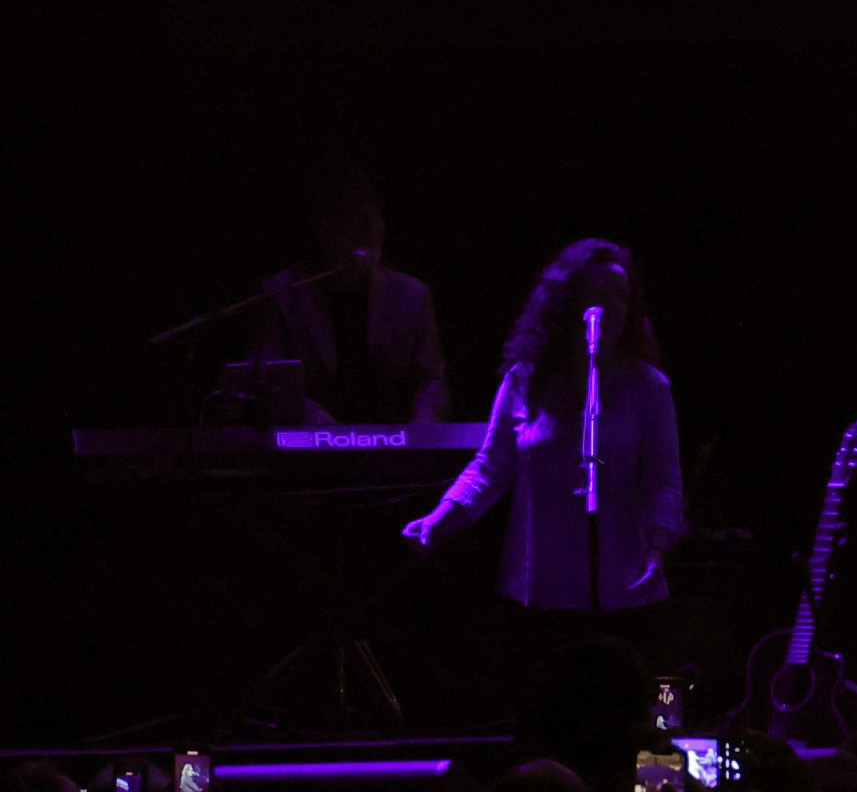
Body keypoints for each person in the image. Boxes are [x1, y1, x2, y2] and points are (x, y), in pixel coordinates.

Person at [404, 238, 686, 614]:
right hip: (537, 587)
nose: (610, 308)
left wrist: (657, 548)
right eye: (596, 294)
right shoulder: (525, 381)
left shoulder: (648, 387)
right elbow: (490, 468)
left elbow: (664, 479)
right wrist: (438, 519)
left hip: (624, 587)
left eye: (620, 296)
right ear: (568, 303)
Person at [252, 161, 453, 424]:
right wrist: (314, 419)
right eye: (353, 222)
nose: (368, 234)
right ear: (322, 228)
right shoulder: (282, 295)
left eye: (374, 221)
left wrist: (422, 432)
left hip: (393, 452)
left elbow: (431, 381)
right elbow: (266, 382)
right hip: (309, 450)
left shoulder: (412, 296)